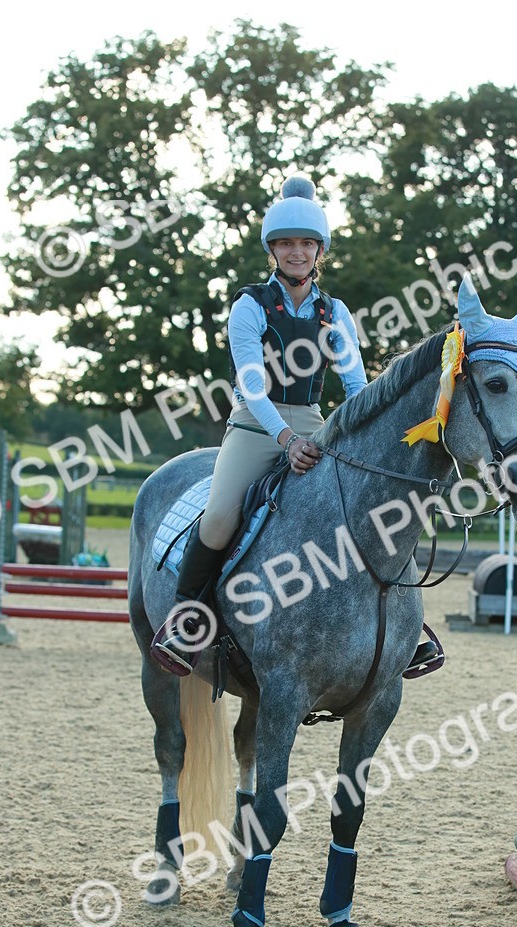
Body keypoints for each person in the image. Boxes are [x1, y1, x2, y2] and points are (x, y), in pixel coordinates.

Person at [150, 175, 368, 674]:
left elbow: (356, 385)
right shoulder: (249, 305)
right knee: (219, 517)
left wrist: (360, 432)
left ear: (319, 250)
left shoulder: (335, 312)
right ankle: (186, 621)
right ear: (273, 249)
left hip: (314, 425)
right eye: (286, 243)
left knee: (369, 503)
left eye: (306, 243)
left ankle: (400, 624)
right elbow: (251, 386)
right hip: (254, 426)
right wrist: (285, 440)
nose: (297, 252)